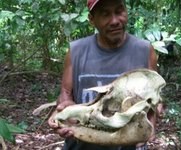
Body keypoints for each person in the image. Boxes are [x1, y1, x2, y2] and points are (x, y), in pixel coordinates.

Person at [48, 0, 160, 149]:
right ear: (92, 19)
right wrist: (64, 112)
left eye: (119, 11)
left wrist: (149, 127)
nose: (114, 21)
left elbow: (153, 100)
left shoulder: (145, 51)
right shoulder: (76, 52)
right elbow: (65, 93)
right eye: (105, 14)